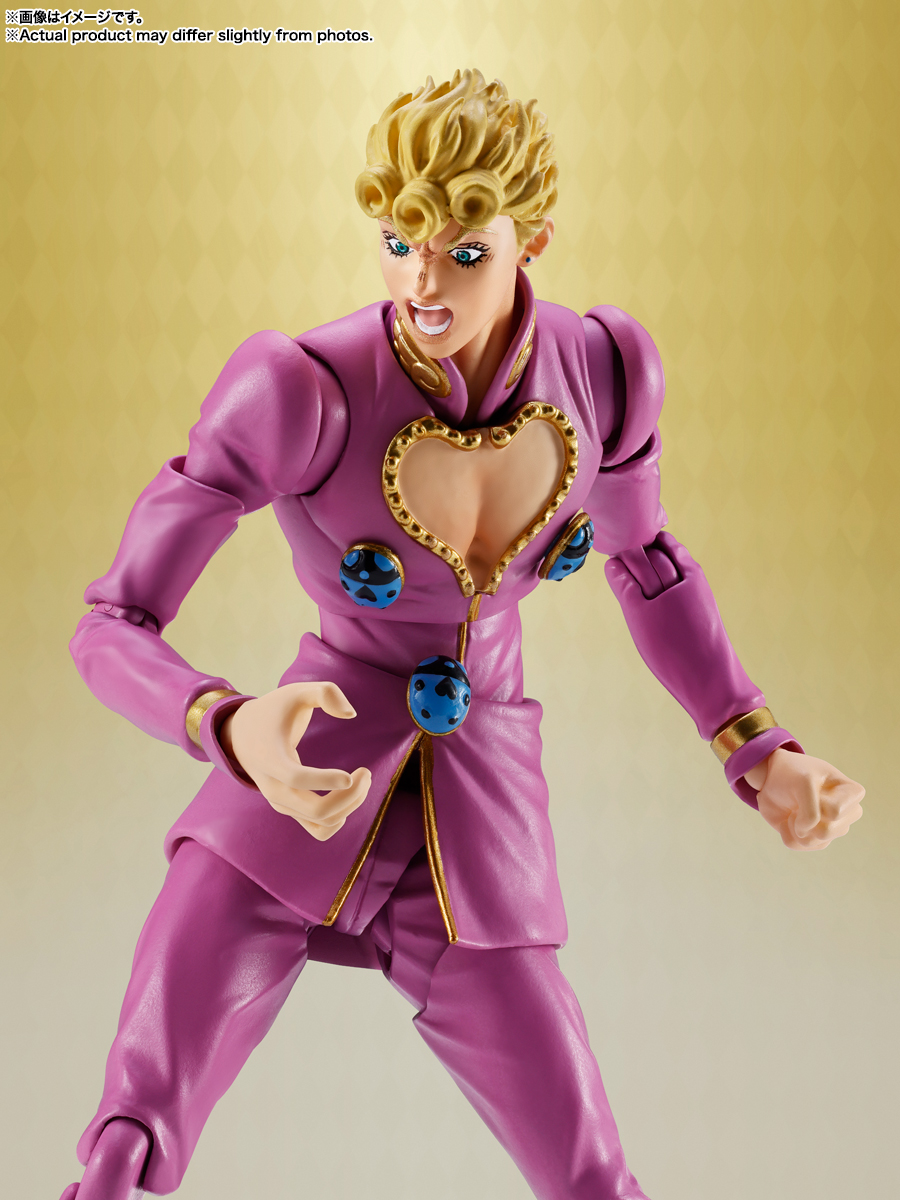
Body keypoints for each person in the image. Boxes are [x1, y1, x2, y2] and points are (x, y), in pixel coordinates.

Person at [61, 70, 864, 1200]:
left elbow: (647, 565)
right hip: (299, 781)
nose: (422, 282)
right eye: (399, 243)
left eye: (462, 251)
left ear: (533, 238)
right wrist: (230, 727)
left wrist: (757, 744)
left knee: (592, 1174)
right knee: (130, 1141)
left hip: (482, 817)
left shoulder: (606, 374)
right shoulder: (300, 389)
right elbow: (112, 623)